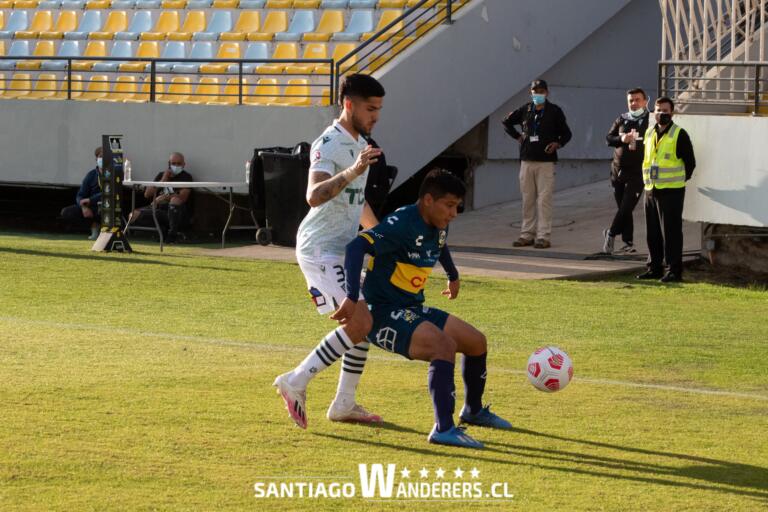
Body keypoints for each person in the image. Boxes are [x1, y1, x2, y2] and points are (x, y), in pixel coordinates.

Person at [334, 169, 511, 448]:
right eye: (450, 205)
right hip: (381, 312)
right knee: (443, 345)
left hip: (411, 308)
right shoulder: (401, 222)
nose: (454, 213)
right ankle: (443, 429)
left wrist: (452, 274)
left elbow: (439, 245)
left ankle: (473, 412)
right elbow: (356, 248)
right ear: (428, 200)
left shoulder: (439, 222)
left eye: (457, 207)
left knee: (476, 342)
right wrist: (352, 297)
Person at [273, 74, 386, 428]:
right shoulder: (328, 143)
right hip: (320, 248)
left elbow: (358, 198)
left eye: (380, 109)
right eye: (370, 108)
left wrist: (381, 236)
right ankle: (295, 381)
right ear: (349, 104)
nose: (376, 116)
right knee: (362, 320)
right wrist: (353, 170)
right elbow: (314, 194)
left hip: (344, 249)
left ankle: (344, 404)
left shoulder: (361, 142)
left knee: (365, 321)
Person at [503, 79, 572, 249]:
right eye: (535, 91)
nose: (538, 94)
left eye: (541, 91)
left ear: (546, 92)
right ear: (531, 93)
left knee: (544, 200)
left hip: (546, 162)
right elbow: (506, 122)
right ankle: (526, 234)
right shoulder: (525, 110)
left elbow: (567, 133)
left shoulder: (554, 111)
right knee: (528, 199)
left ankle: (543, 236)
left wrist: (557, 143)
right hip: (527, 160)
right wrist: (518, 137)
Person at [637, 97, 696, 283]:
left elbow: (690, 163)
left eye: (665, 110)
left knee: (671, 232)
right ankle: (654, 267)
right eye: (658, 110)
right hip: (651, 189)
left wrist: (678, 180)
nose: (661, 114)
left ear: (672, 113)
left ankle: (674, 271)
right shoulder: (649, 133)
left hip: (671, 190)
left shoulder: (679, 134)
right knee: (652, 232)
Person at [602, 88, 650, 254]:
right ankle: (628, 243)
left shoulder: (650, 120)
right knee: (623, 208)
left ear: (645, 101)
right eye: (631, 100)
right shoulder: (622, 118)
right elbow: (608, 139)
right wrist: (622, 138)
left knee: (627, 206)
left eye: (637, 100)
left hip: (638, 172)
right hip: (617, 171)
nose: (634, 103)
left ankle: (611, 233)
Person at [128, 152, 193, 243]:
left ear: (184, 165)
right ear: (169, 164)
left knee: (175, 200)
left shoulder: (186, 177)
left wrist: (164, 198)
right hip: (158, 209)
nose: (176, 166)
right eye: (173, 163)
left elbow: (183, 197)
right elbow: (147, 194)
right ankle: (162, 229)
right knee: (132, 216)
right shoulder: (162, 175)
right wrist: (163, 179)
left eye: (179, 164)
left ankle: (172, 235)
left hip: (176, 212)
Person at [60, 146, 104, 240]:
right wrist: (83, 207)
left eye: (105, 157)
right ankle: (93, 227)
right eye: (100, 156)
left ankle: (101, 229)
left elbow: (109, 192)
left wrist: (91, 200)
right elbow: (80, 195)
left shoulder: (114, 174)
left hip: (106, 205)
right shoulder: (91, 175)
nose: (102, 159)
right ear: (96, 158)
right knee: (67, 212)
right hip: (91, 206)